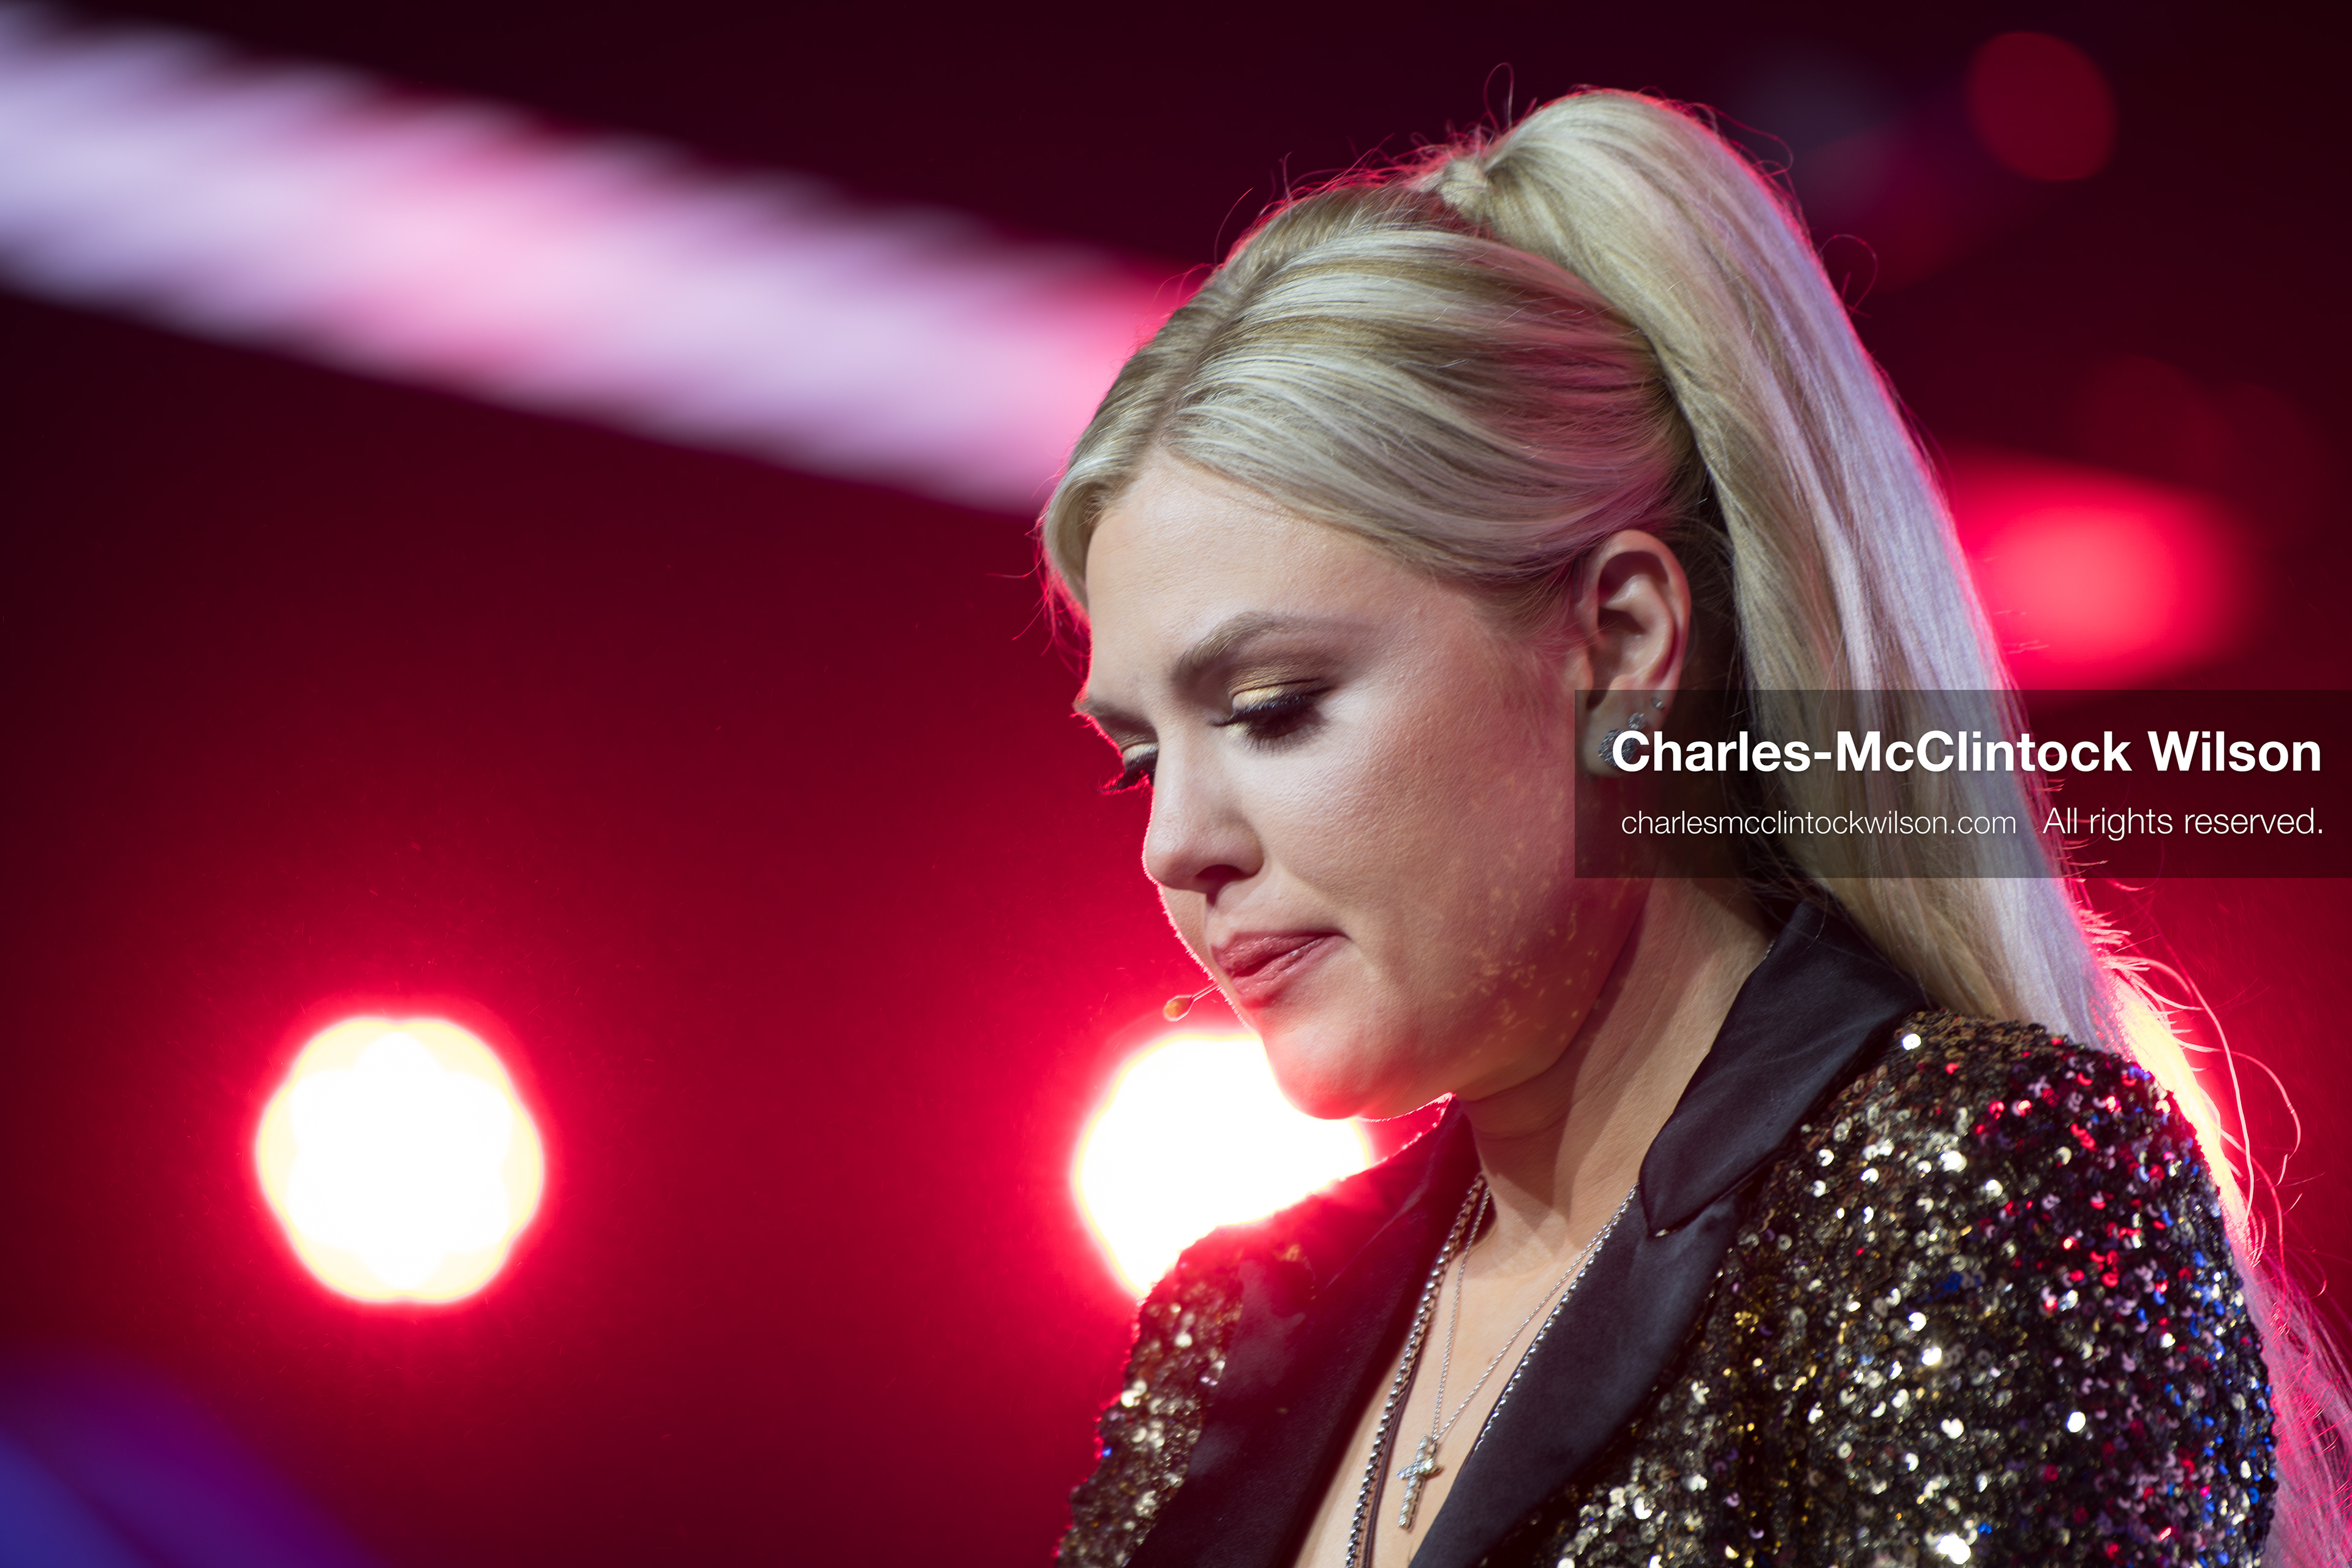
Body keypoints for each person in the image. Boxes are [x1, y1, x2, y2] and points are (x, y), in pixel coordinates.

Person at [1039, 91, 2340, 1567]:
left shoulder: (1972, 1190)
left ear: (1624, 639)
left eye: (1274, 707)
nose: (1175, 846)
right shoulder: (1233, 1332)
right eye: (1138, 756)